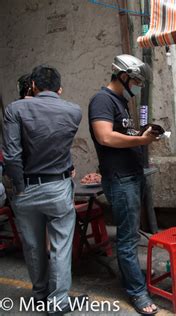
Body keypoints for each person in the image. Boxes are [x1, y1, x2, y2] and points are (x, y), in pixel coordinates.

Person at [2, 65, 85, 315]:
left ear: (33, 86)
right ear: (59, 89)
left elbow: (12, 154)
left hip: (27, 186)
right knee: (60, 245)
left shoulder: (15, 109)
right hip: (58, 186)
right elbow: (59, 145)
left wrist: (18, 187)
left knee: (33, 246)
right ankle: (58, 302)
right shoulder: (74, 111)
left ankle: (39, 295)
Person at [88, 54, 159, 315]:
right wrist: (140, 141)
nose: (139, 85)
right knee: (127, 239)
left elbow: (124, 134)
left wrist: (144, 135)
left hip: (133, 174)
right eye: (137, 80)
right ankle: (137, 293)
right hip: (120, 178)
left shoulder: (121, 102)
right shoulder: (102, 100)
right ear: (123, 76)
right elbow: (105, 137)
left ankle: (134, 279)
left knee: (131, 234)